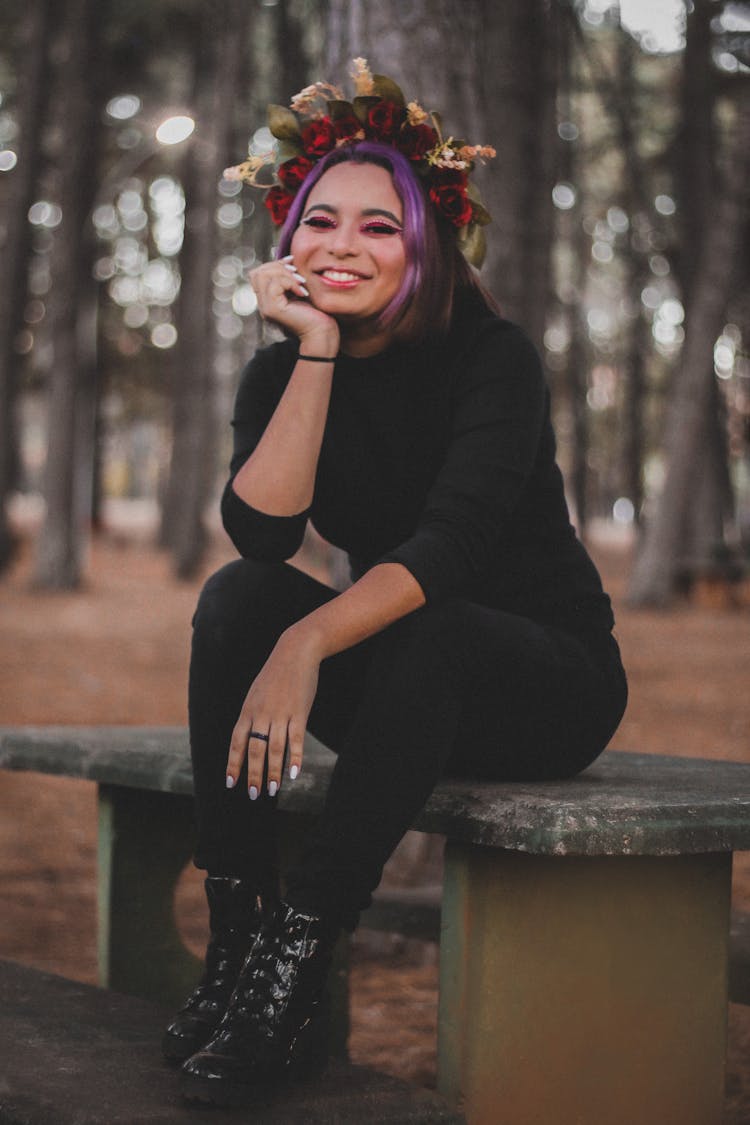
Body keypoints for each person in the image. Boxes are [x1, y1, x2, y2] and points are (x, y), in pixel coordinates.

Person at [163, 61, 628, 1107]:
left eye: (380, 227)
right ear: (289, 240)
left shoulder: (490, 357)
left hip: (542, 686)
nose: (342, 246)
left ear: (428, 246)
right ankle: (238, 944)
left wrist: (310, 642)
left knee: (437, 624)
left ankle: (296, 966)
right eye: (321, 222)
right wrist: (314, 354)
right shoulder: (283, 368)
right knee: (240, 599)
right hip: (409, 685)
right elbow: (263, 536)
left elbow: (452, 548)